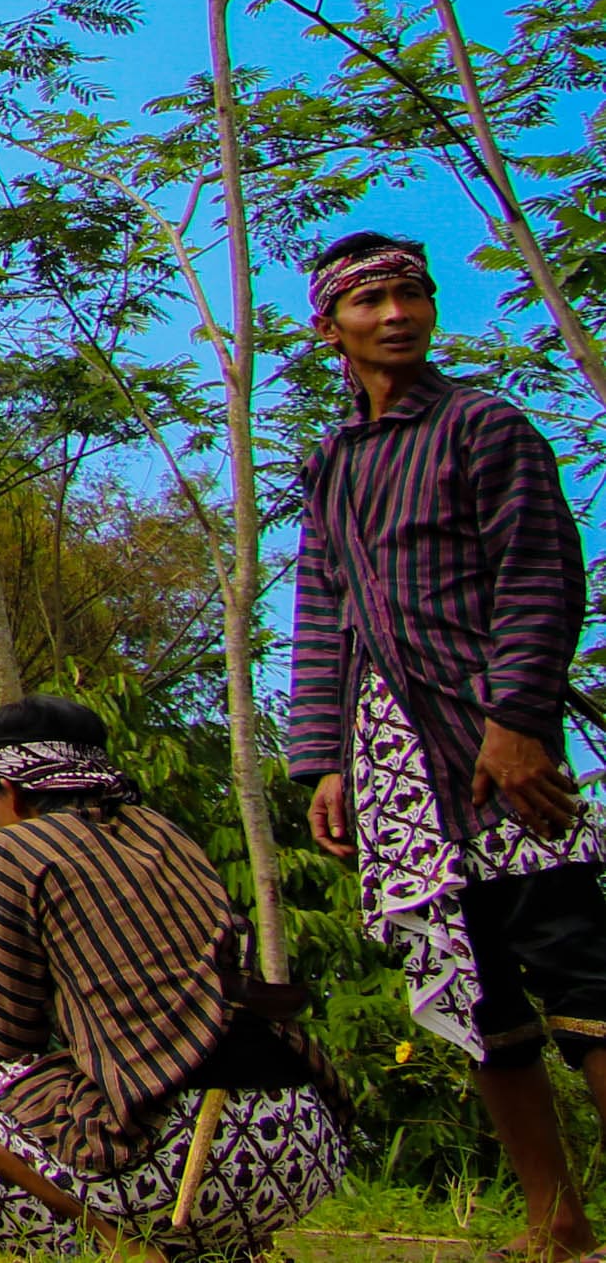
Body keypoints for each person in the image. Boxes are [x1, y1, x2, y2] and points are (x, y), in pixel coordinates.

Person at [285, 231, 606, 1257]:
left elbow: (541, 573)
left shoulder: (484, 426)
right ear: (326, 326)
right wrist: (324, 759)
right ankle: (552, 1219)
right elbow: (322, 610)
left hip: (492, 743)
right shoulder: (331, 461)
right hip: (394, 761)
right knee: (474, 994)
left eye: (410, 293)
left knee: (578, 968)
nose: (396, 314)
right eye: (370, 299)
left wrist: (518, 722)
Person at [0, 694, 344, 1255]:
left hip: (194, 1171)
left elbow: (7, 1037)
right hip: (302, 1143)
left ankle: (122, 1245)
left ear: (8, 788)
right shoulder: (163, 831)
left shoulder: (12, 847)